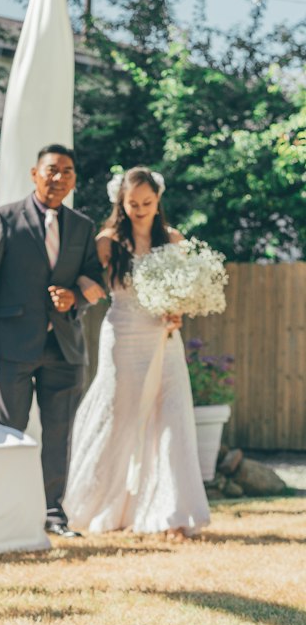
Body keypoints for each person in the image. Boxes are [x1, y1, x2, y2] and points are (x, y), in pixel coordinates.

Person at [0, 144, 105, 538]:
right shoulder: (3, 218)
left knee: (59, 434)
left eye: (68, 172)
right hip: (11, 345)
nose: (59, 178)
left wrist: (75, 296)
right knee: (9, 428)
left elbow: (96, 277)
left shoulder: (82, 226)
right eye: (52, 170)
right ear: (34, 173)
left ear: (74, 179)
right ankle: (4, 507)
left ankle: (52, 512)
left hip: (65, 347)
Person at [63, 167, 210, 537]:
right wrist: (82, 285)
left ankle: (173, 514)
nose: (141, 209)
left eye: (147, 202)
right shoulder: (107, 241)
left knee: (172, 418)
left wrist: (178, 312)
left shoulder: (173, 239)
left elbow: (184, 291)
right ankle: (106, 508)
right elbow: (88, 281)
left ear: (158, 200)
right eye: (133, 203)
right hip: (124, 336)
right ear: (121, 203)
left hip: (163, 338)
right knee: (121, 418)